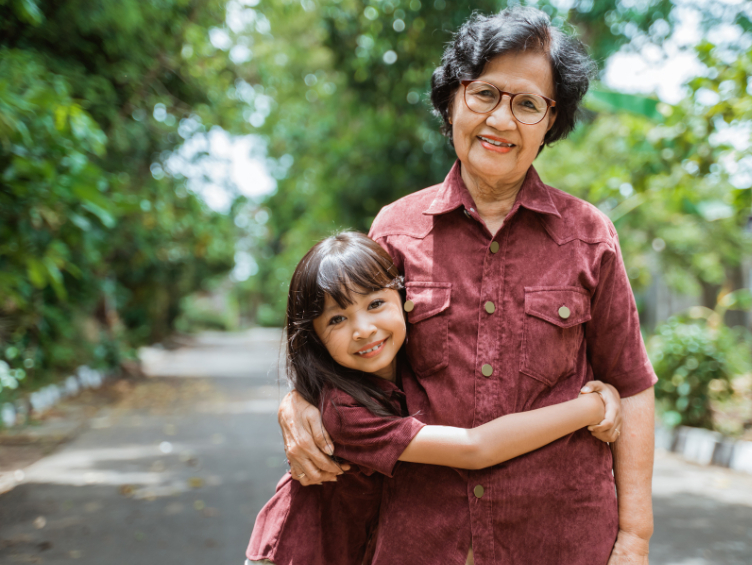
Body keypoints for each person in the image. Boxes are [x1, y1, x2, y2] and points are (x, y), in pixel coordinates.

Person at [279, 7, 657, 565]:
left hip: (562, 539)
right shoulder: (395, 229)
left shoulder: (589, 236)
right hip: (422, 537)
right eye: (484, 94)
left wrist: (635, 537)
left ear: (551, 123)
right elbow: (349, 348)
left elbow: (630, 384)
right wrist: (296, 402)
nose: (501, 121)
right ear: (453, 99)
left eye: (527, 104)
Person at [246, 232, 622, 565]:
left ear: (404, 298)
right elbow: (475, 448)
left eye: (375, 304)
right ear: (315, 338)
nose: (363, 329)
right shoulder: (344, 411)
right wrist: (589, 407)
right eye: (336, 320)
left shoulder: (408, 369)